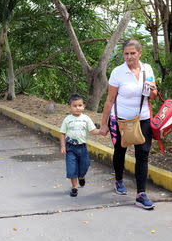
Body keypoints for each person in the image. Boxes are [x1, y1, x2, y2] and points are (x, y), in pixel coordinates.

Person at [99, 39, 158, 209]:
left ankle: (141, 194)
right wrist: (104, 125)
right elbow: (109, 100)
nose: (129, 56)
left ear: (140, 53)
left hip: (143, 118)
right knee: (120, 150)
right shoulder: (118, 72)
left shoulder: (148, 69)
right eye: (126, 53)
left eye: (133, 53)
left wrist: (153, 90)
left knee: (143, 154)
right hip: (121, 120)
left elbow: (152, 96)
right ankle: (118, 180)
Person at [60, 94, 101, 197]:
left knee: (85, 165)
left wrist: (102, 131)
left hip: (82, 148)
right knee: (72, 168)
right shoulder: (67, 119)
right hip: (70, 148)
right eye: (74, 106)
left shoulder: (86, 119)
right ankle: (74, 187)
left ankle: (81, 177)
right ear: (70, 107)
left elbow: (93, 130)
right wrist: (63, 146)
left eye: (79, 105)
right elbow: (62, 133)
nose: (77, 108)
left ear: (83, 106)